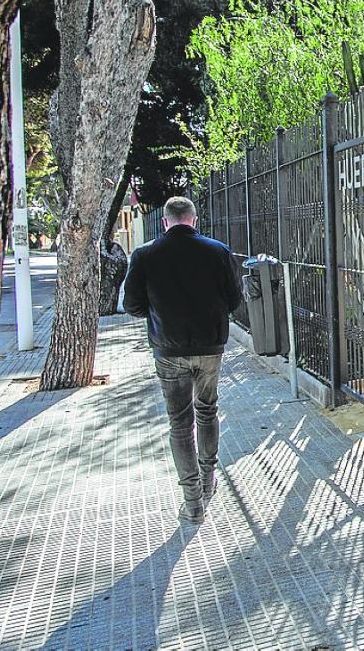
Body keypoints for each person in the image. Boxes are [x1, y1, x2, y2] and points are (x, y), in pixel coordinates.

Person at [123, 196, 244, 523]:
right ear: (194, 220)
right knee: (207, 410)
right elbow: (235, 300)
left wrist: (157, 311)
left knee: (179, 422)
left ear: (165, 222)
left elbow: (132, 305)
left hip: (168, 349)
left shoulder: (145, 255)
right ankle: (208, 480)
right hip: (210, 347)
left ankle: (193, 503)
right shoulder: (218, 251)